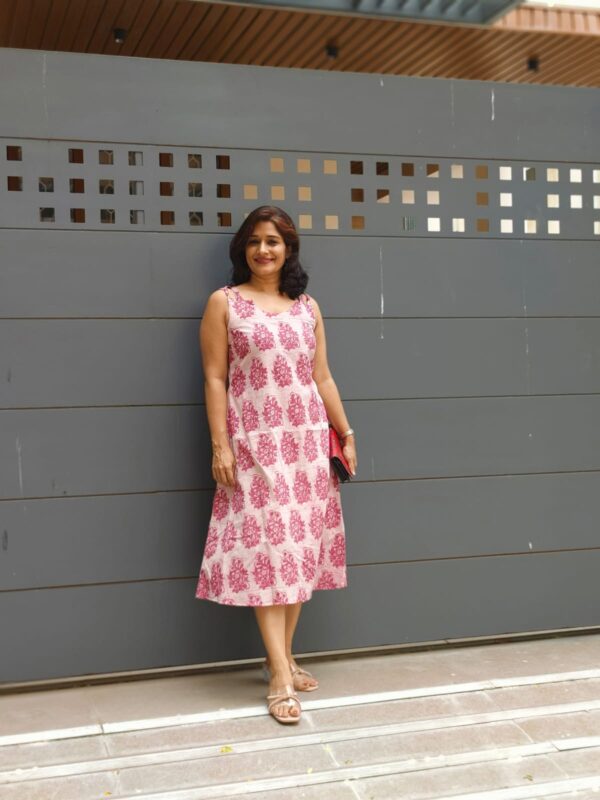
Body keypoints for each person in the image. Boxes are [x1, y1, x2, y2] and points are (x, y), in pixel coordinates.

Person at [195, 205, 357, 724]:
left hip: (307, 443)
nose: (263, 250)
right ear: (243, 249)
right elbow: (215, 378)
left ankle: (281, 659)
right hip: (255, 444)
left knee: (299, 551)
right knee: (270, 551)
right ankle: (281, 678)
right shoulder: (224, 304)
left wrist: (346, 433)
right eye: (255, 241)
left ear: (289, 249)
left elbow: (323, 377)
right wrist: (221, 445)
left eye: (274, 241)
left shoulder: (308, 307)